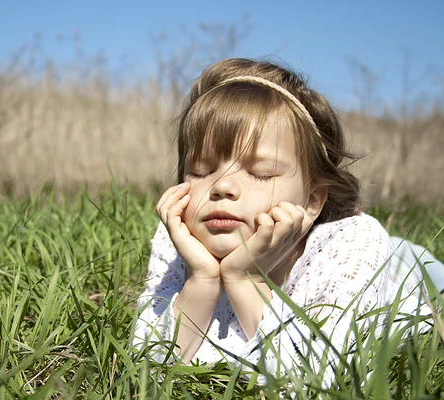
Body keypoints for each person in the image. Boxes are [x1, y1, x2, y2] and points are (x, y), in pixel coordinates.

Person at [133, 58, 443, 385]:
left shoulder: (348, 247)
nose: (221, 186)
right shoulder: (178, 237)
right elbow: (146, 369)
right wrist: (202, 280)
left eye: (261, 173)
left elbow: (316, 379)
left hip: (404, 271)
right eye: (201, 171)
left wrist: (245, 277)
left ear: (310, 201)